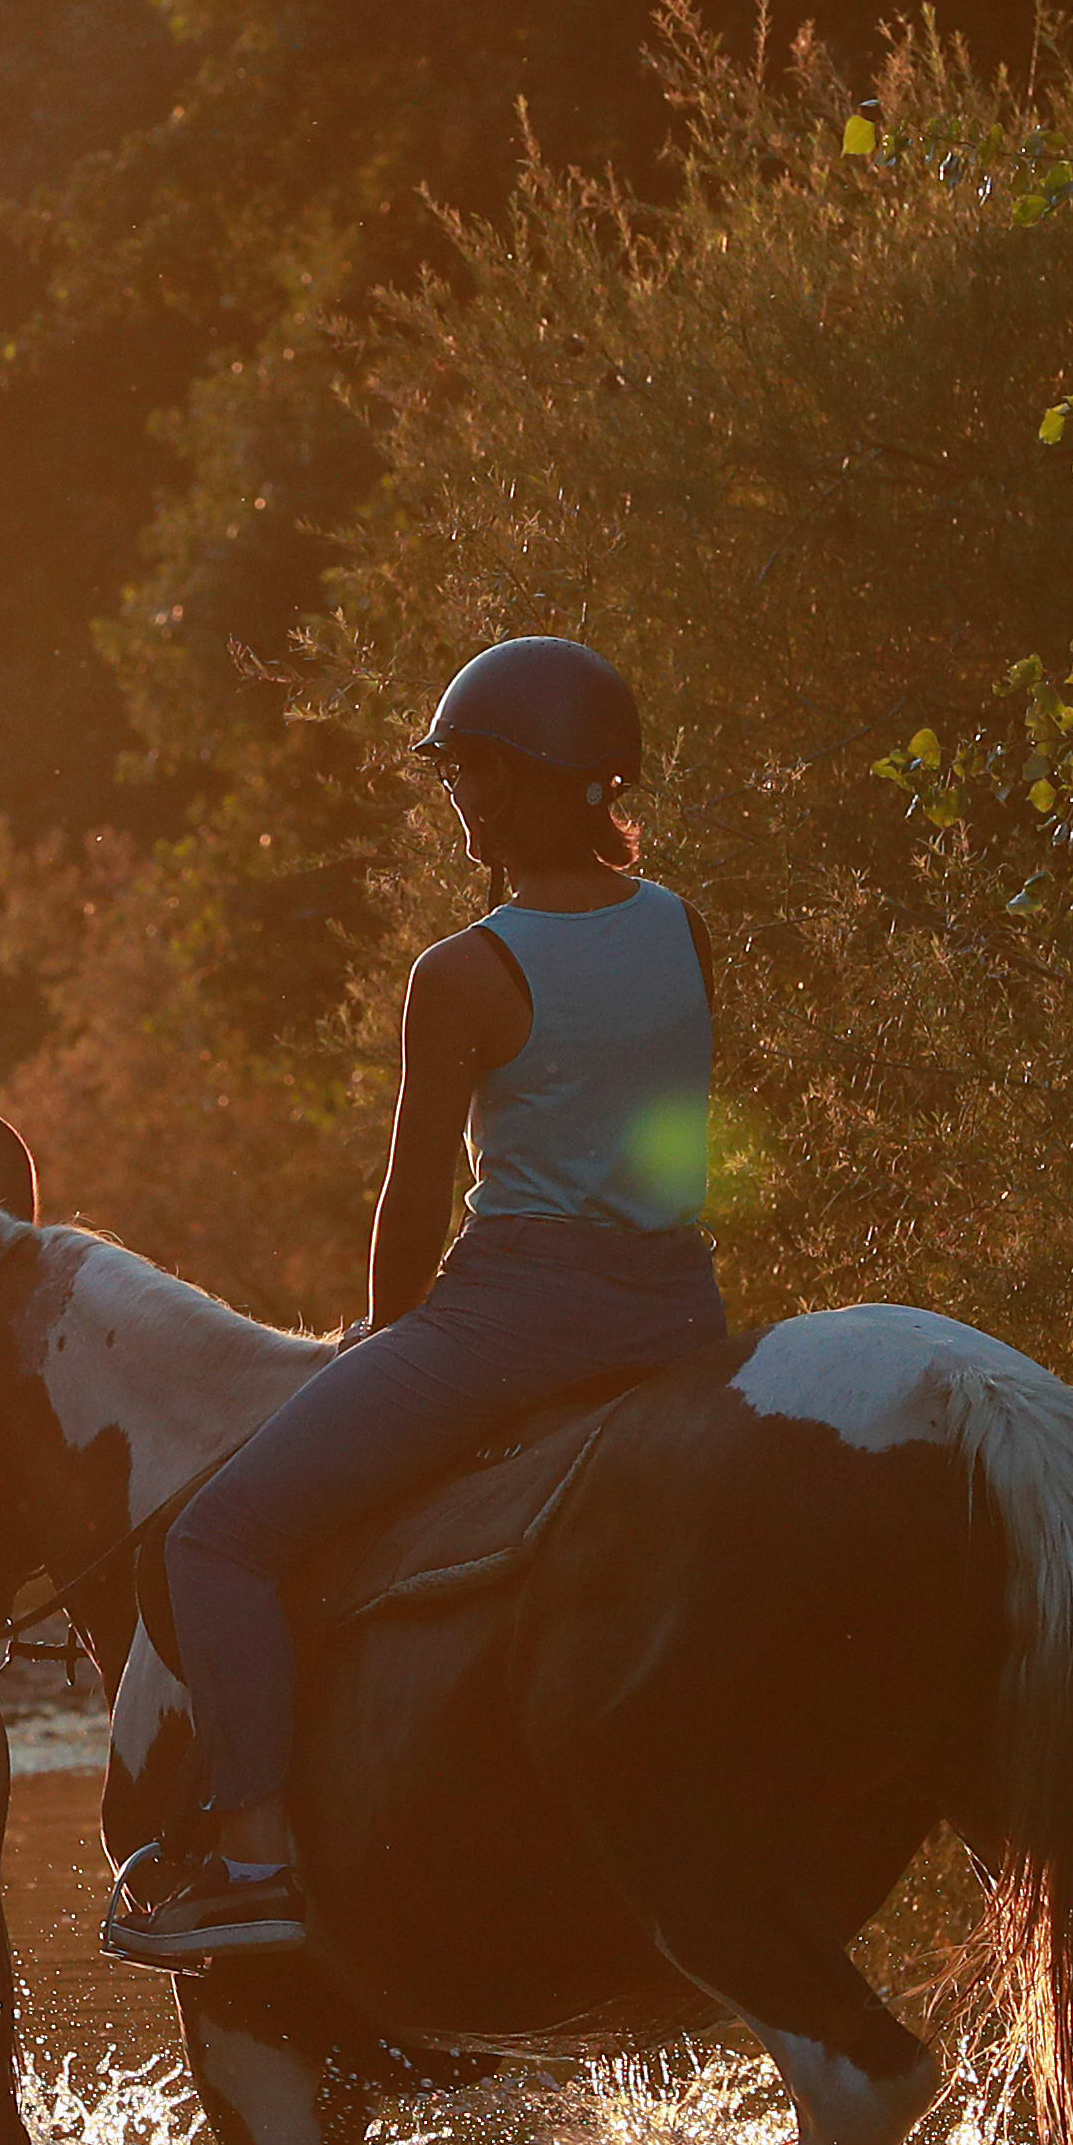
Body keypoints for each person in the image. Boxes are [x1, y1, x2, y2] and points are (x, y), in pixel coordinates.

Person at [101, 636, 726, 1964]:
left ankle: (257, 1853)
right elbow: (672, 1137)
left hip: (508, 1323)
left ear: (563, 784)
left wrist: (381, 1346)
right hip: (676, 1313)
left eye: (489, 776)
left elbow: (408, 1200)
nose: (472, 803)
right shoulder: (683, 928)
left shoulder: (461, 972)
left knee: (213, 1539)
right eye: (462, 777)